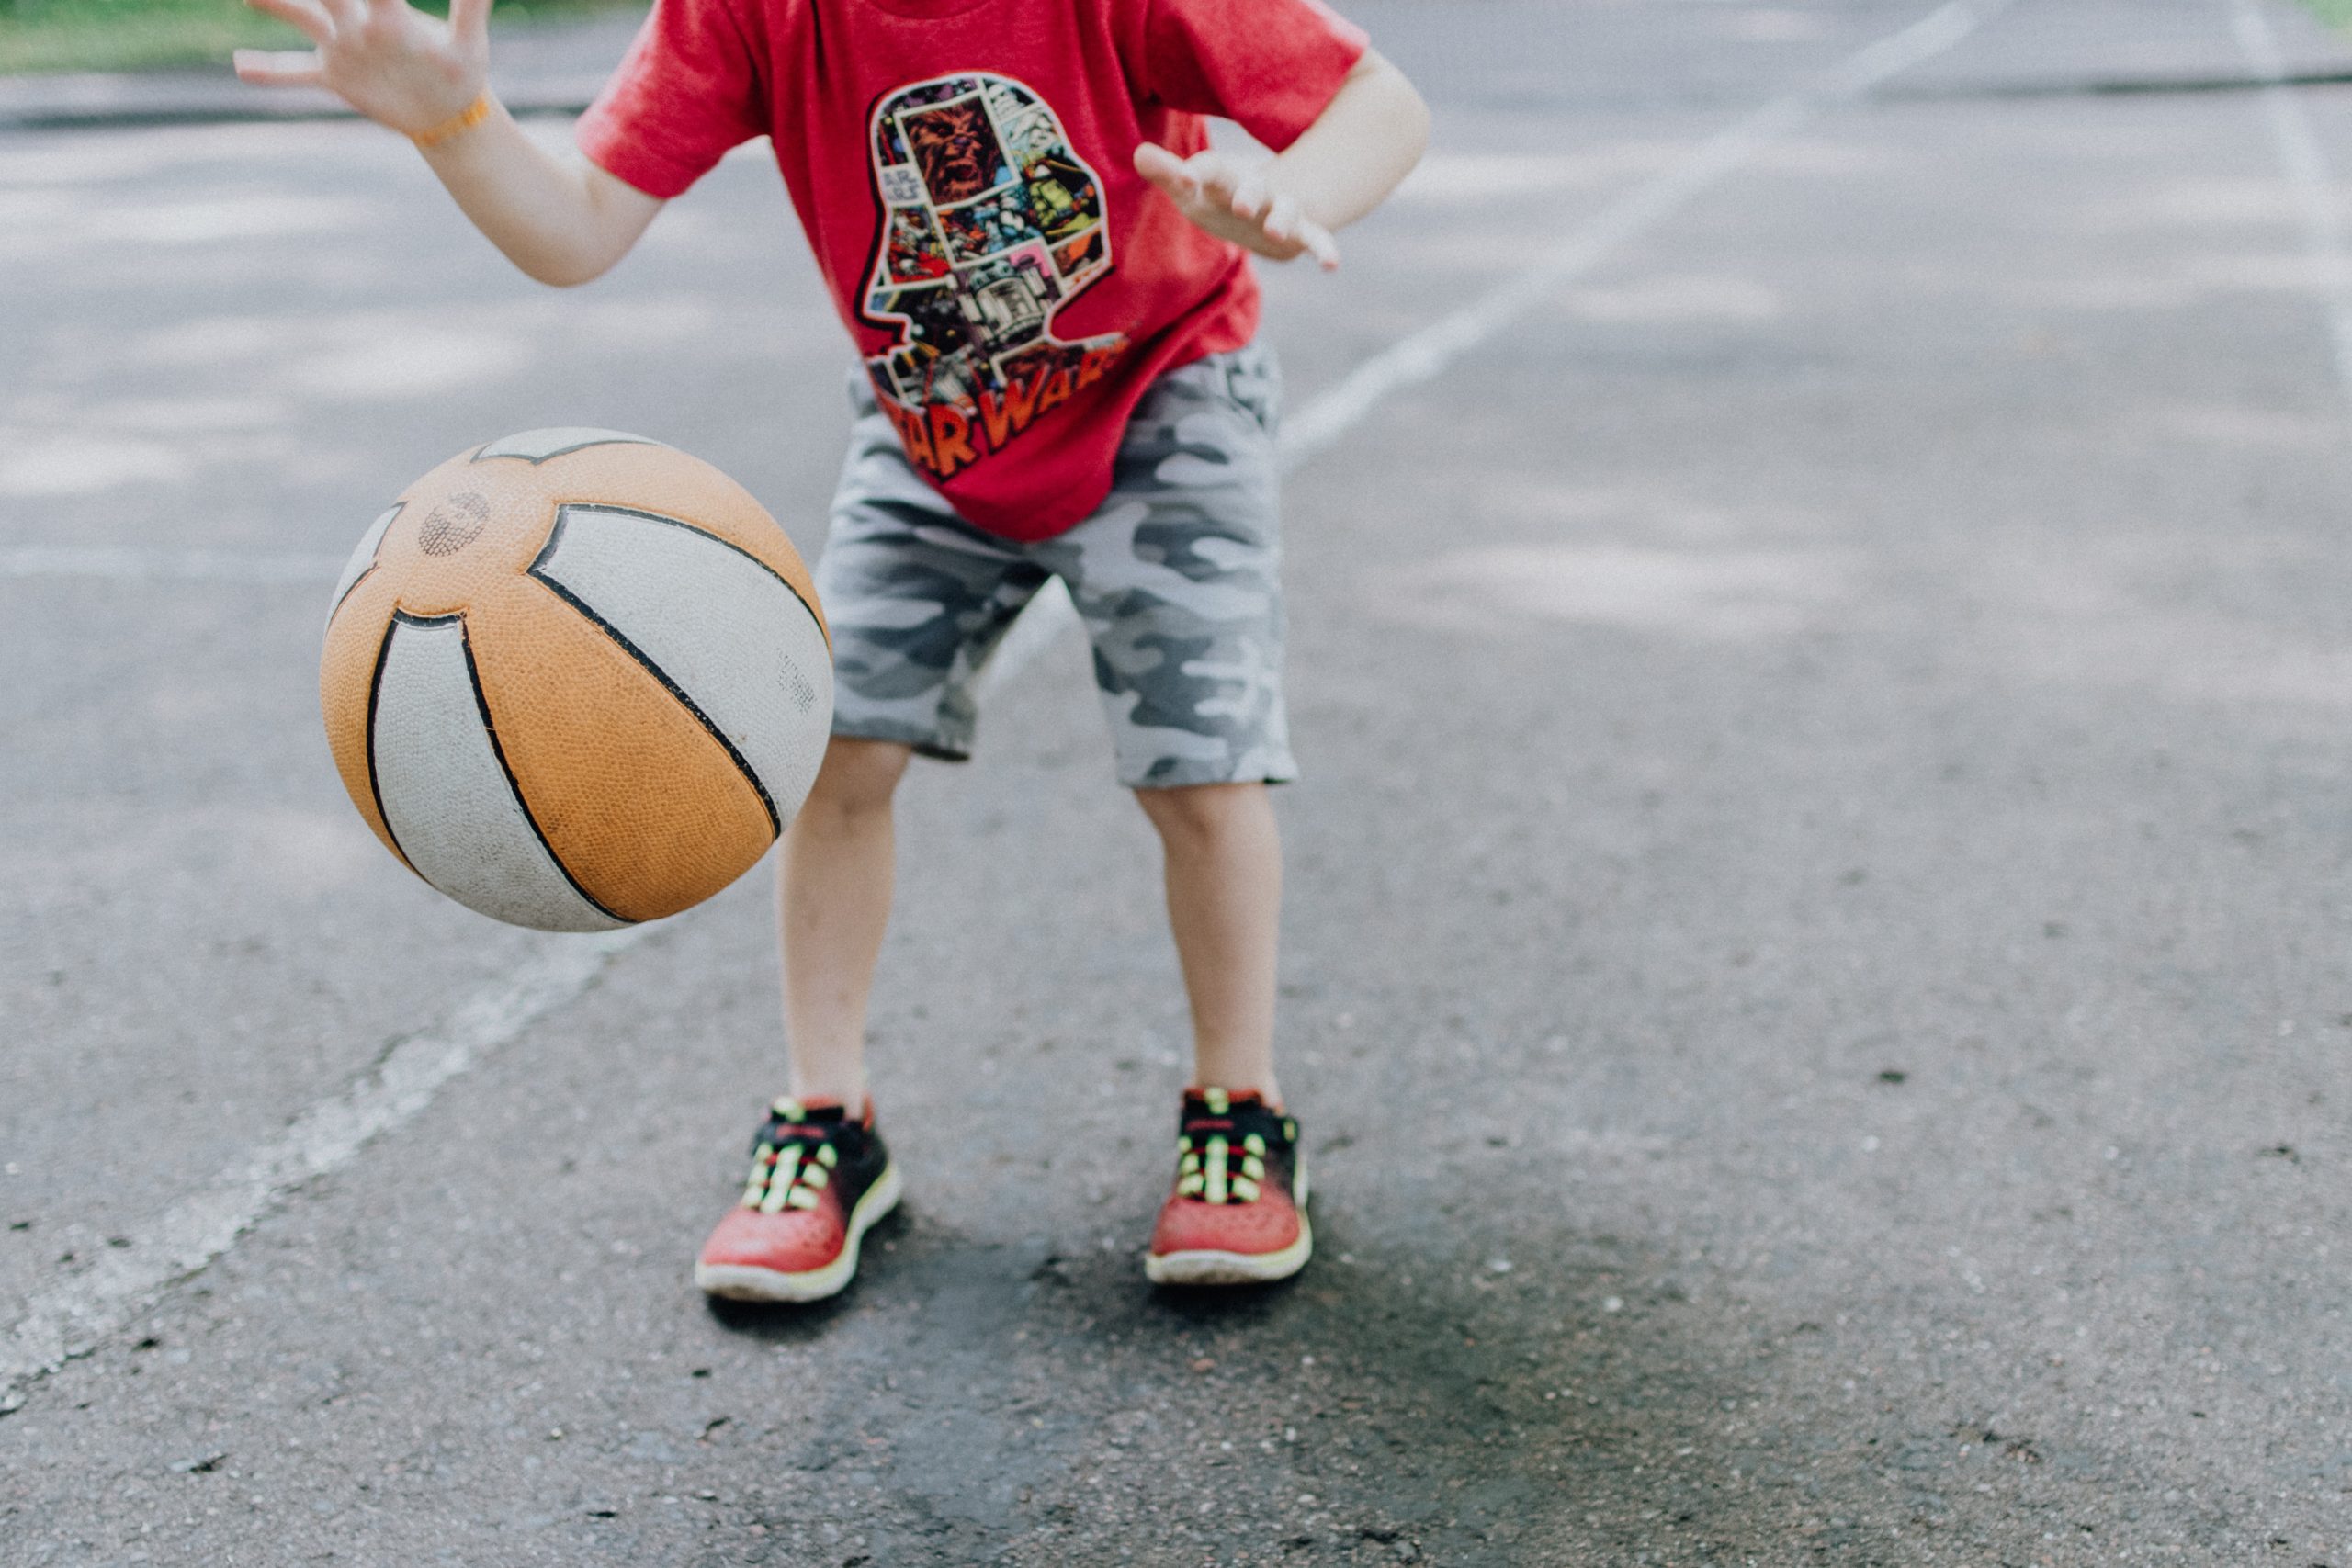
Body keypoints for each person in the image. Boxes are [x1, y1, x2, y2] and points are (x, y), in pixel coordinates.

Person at [235, 0, 1429, 1299]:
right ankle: (827, 1120)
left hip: (1163, 389)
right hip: (934, 429)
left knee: (1200, 765)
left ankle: (1238, 1118)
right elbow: (576, 227)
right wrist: (458, 127)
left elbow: (1382, 104)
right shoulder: (751, 12)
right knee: (832, 747)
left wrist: (1285, 186)